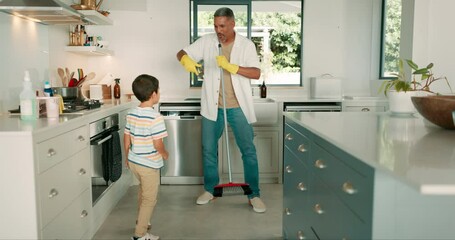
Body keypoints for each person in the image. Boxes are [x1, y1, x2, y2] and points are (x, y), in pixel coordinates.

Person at [176, 7, 266, 213]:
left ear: (233, 24)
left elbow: (256, 73)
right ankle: (210, 190)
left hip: (238, 107)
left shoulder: (246, 45)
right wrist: (186, 60)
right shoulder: (207, 41)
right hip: (212, 107)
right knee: (208, 151)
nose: (218, 30)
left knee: (249, 151)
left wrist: (232, 67)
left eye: (222, 26)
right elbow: (181, 52)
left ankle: (254, 194)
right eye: (216, 25)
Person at [124, 74, 169, 240]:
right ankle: (140, 235)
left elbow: (126, 137)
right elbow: (158, 144)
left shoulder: (131, 113)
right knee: (150, 198)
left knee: (143, 193)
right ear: (154, 94)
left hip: (135, 162)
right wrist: (165, 154)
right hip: (149, 165)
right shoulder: (155, 117)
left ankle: (142, 220)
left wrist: (126, 157)